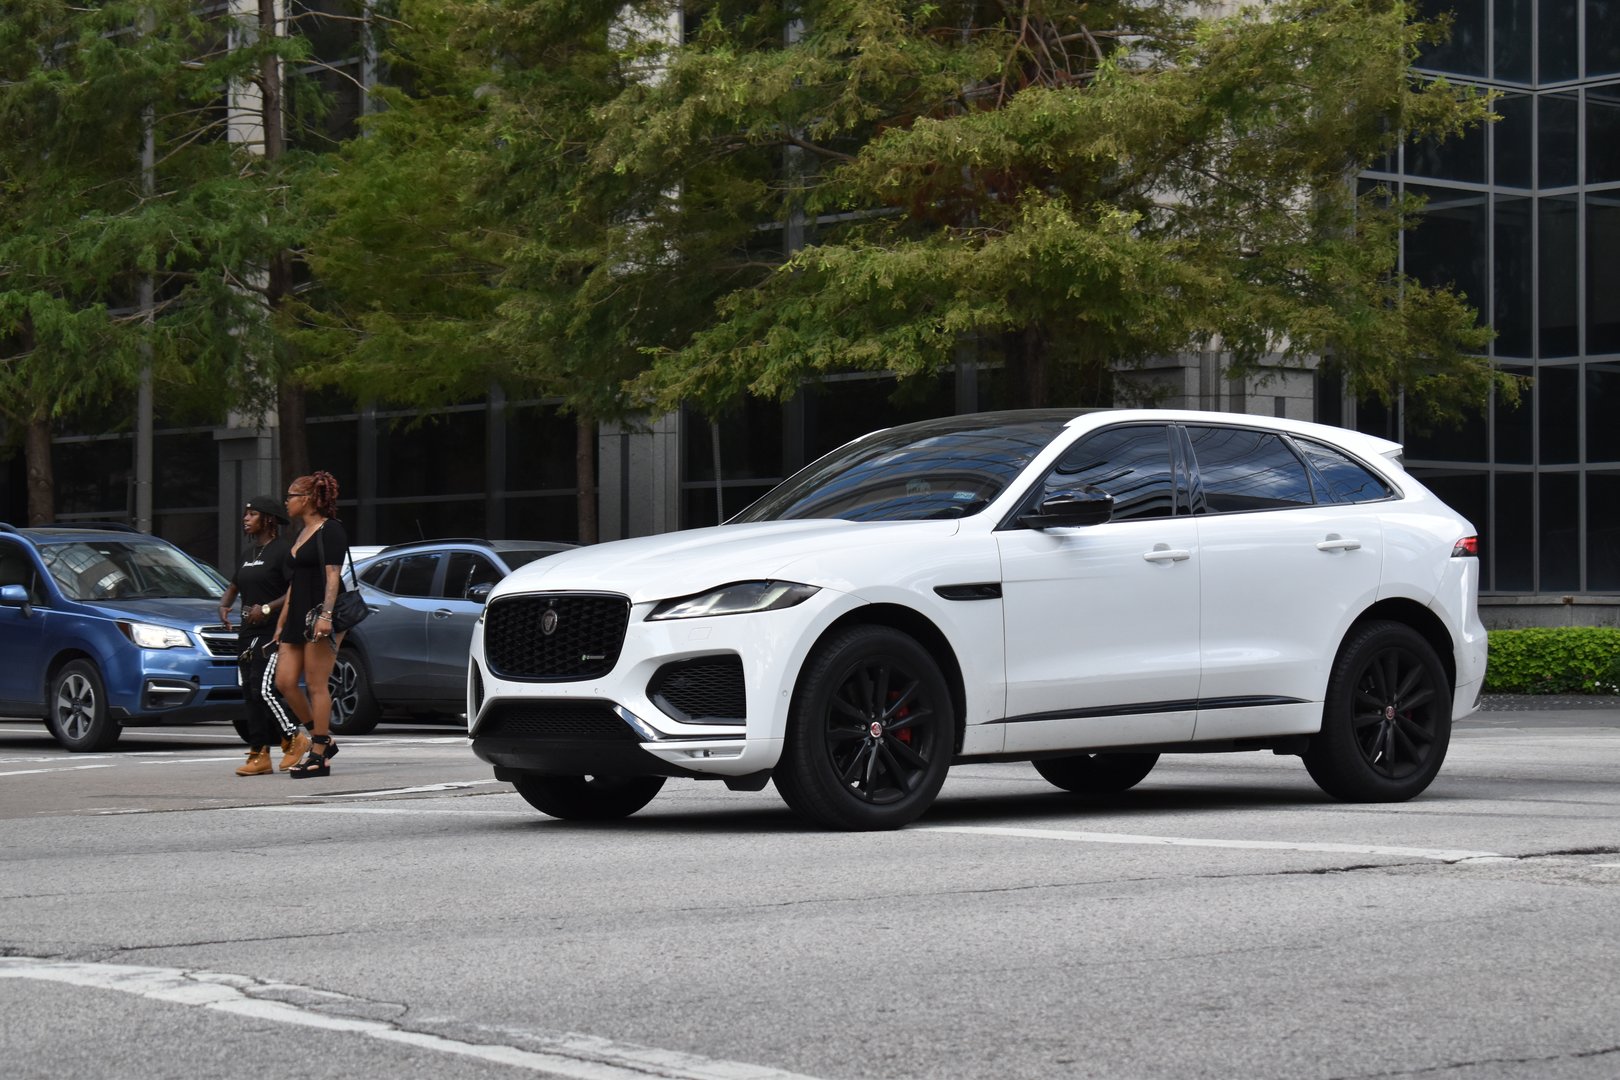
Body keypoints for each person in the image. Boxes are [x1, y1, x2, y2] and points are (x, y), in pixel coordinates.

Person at [217, 496, 308, 776]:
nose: (246, 519)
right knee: (249, 695)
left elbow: (296, 589)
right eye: (246, 514)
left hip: (271, 632)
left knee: (264, 690)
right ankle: (259, 755)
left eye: (252, 514)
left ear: (268, 520)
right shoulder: (249, 553)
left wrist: (268, 607)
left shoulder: (282, 551)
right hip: (246, 633)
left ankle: (295, 737)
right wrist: (224, 604)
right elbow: (235, 584)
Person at [273, 471, 351, 779]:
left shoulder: (330, 531)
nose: (286, 501)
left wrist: (327, 617)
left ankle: (319, 754)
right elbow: (294, 583)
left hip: (320, 615)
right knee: (285, 681)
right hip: (297, 616)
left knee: (316, 684)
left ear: (307, 500)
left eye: (291, 495)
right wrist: (280, 623)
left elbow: (333, 577)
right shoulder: (301, 532)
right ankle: (323, 736)